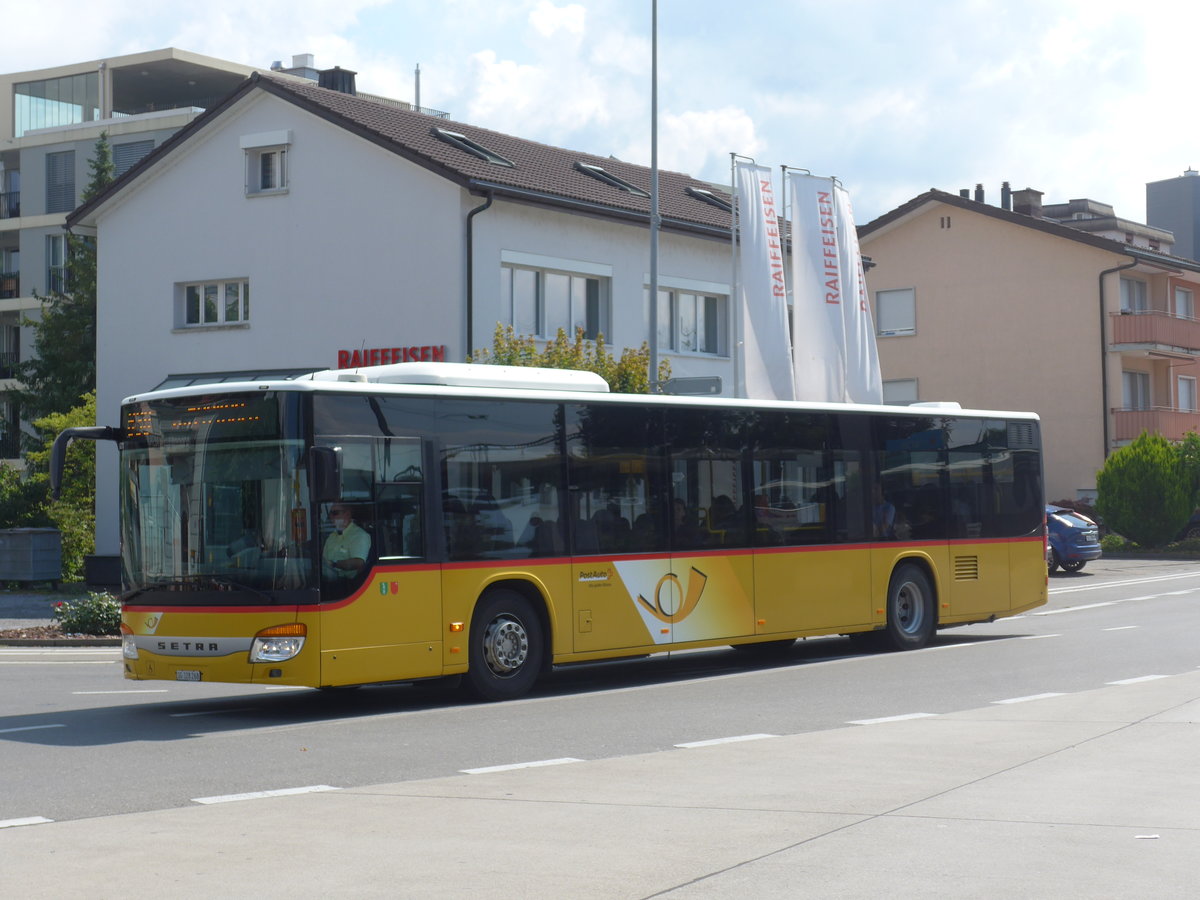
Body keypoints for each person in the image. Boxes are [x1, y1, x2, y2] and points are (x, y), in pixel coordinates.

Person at [323, 502, 371, 580]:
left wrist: (334, 564)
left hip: (349, 582)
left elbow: (358, 562)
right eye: (330, 514)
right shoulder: (331, 536)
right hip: (328, 580)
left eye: (335, 513)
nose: (331, 517)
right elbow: (324, 560)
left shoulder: (359, 535)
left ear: (347, 514)